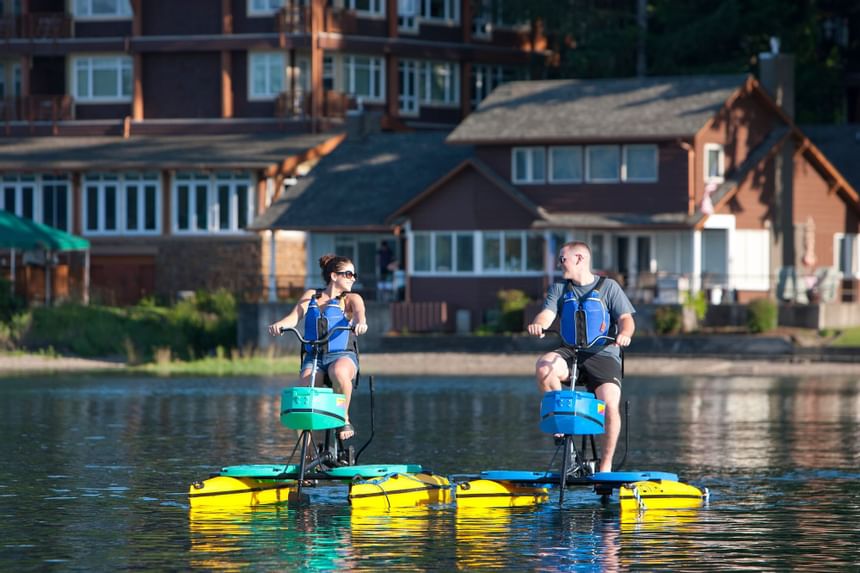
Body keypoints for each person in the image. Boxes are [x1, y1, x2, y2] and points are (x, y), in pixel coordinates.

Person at [527, 241, 635, 473]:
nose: (559, 263)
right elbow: (546, 315)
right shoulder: (558, 289)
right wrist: (538, 324)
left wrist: (625, 334)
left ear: (579, 259)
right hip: (570, 351)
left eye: (562, 259)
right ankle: (563, 431)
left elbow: (627, 319)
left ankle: (605, 467)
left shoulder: (609, 287)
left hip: (603, 353)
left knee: (609, 405)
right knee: (544, 367)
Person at [268, 254, 368, 441]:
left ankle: (343, 418)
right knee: (304, 397)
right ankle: (306, 451)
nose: (353, 278)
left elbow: (360, 314)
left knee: (338, 372)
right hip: (314, 357)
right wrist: (280, 325)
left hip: (342, 356)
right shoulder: (311, 296)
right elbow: (294, 317)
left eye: (355, 275)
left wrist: (361, 323)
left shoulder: (351, 299)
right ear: (334, 276)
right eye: (348, 274)